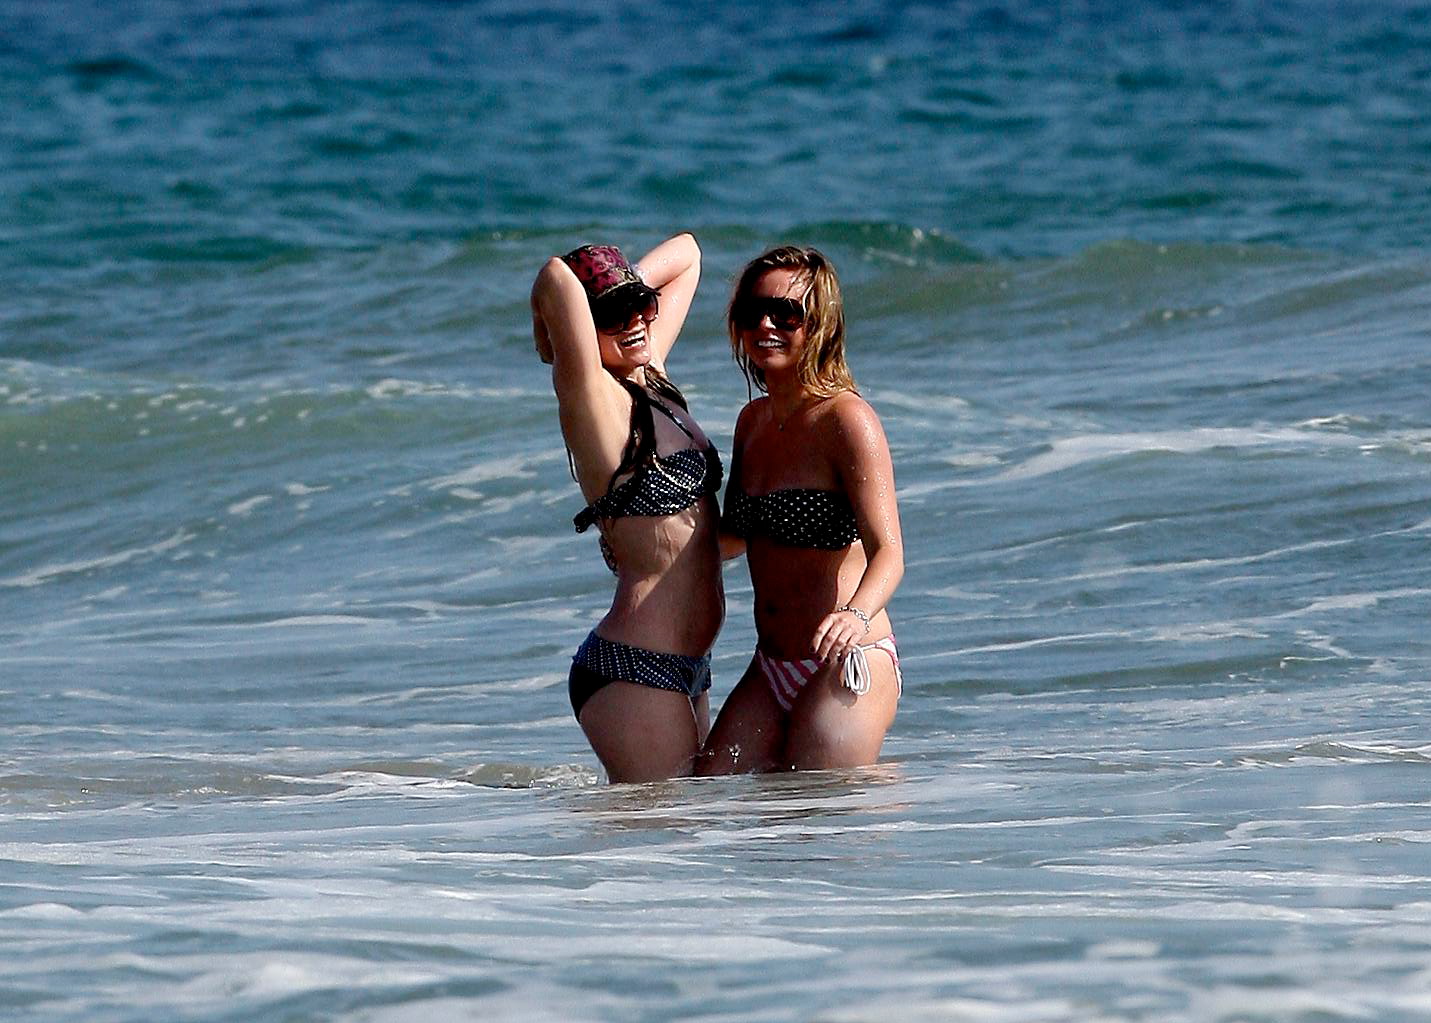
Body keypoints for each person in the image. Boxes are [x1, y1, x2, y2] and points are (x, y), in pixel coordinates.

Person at [698, 245, 904, 774]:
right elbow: (734, 537)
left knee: (824, 805)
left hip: (845, 660)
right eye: (753, 312)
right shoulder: (752, 422)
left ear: (820, 323)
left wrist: (855, 616)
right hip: (770, 668)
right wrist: (644, 537)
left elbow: (889, 553)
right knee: (707, 795)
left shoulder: (847, 420)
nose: (765, 325)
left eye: (785, 313)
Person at [530, 233, 724, 783]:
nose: (635, 320)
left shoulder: (651, 374)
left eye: (640, 305)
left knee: (680, 828)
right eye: (614, 315)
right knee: (667, 828)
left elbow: (689, 254)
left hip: (689, 665)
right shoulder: (592, 395)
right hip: (634, 666)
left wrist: (624, 286)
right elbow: (555, 276)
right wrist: (546, 332)